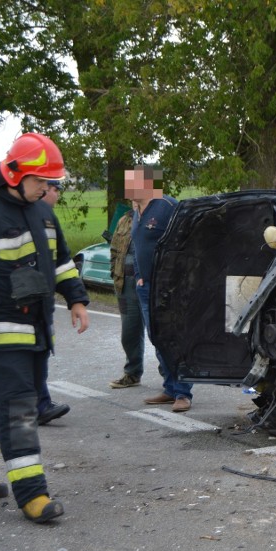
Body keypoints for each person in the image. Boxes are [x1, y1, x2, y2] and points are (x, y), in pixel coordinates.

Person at [0, 133, 89, 523]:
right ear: (14, 174)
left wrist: (76, 299)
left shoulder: (42, 212)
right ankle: (32, 494)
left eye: (51, 182)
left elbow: (61, 261)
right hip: (1, 330)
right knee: (19, 408)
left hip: (38, 330)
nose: (48, 189)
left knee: (12, 402)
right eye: (41, 181)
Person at [126, 165, 193, 412]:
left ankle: (183, 393)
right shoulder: (137, 210)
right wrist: (141, 276)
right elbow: (140, 246)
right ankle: (169, 388)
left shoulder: (167, 207)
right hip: (146, 287)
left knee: (173, 338)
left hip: (168, 287)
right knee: (156, 337)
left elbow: (186, 243)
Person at [35, 179, 72, 425]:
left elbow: (61, 261)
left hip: (40, 303)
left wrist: (76, 299)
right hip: (10, 310)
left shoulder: (47, 217)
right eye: (55, 189)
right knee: (18, 374)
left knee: (39, 355)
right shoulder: (12, 214)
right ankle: (36, 405)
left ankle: (40, 404)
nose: (57, 195)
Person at [107, 208, 145, 389]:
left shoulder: (158, 217)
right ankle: (132, 374)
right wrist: (114, 274)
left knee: (158, 333)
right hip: (125, 286)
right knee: (129, 333)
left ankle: (170, 380)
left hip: (149, 284)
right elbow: (114, 249)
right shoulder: (124, 220)